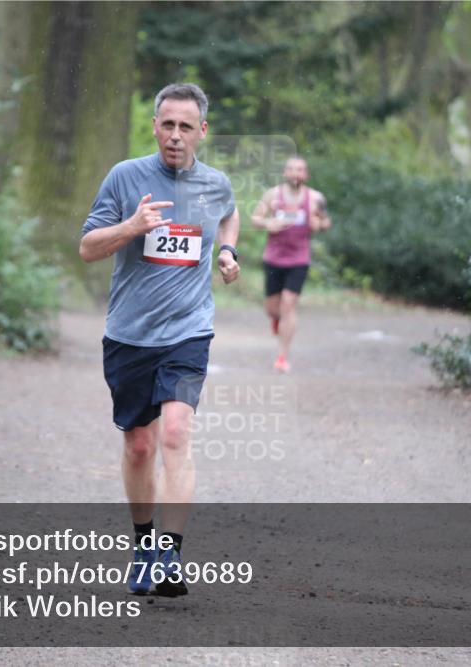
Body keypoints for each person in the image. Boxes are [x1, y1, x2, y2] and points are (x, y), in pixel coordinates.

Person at [79, 83, 240, 597]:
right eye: (167, 125)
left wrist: (229, 252)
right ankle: (144, 542)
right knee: (139, 445)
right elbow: (86, 248)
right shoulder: (126, 178)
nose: (175, 136)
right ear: (154, 126)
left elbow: (229, 212)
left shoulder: (215, 184)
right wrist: (131, 226)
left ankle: (170, 554)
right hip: (128, 335)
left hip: (189, 330)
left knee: (174, 435)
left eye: (185, 127)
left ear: (202, 132)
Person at [251, 157, 331, 372]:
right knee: (272, 309)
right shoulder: (272, 195)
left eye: (300, 170)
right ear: (285, 173)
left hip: (299, 259)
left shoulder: (315, 198)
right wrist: (269, 223)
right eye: (291, 169)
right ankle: (276, 320)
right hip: (274, 258)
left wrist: (319, 224)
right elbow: (255, 219)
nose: (295, 173)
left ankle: (282, 357)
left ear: (306, 175)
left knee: (289, 305)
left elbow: (326, 222)